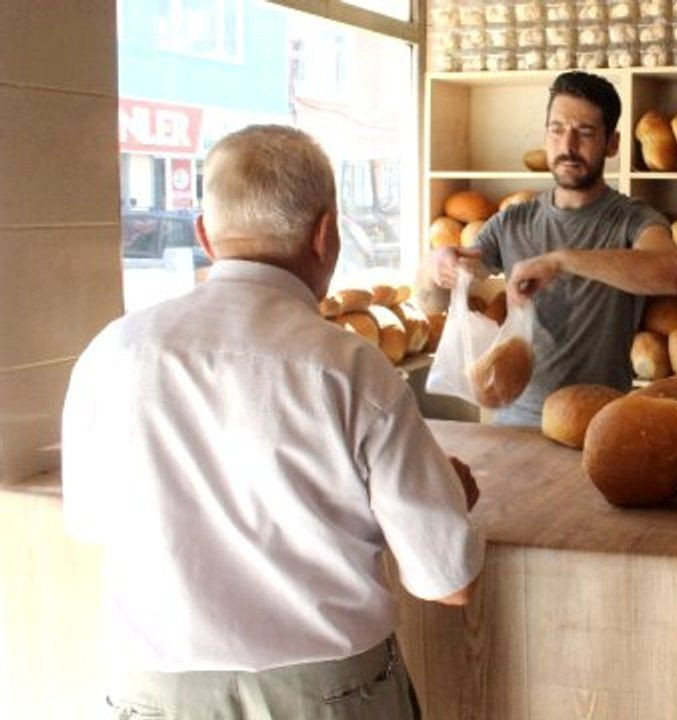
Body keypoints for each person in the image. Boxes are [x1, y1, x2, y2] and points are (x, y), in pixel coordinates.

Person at [62, 125, 484, 719]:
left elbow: (90, 522)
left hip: (154, 697)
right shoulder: (350, 368)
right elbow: (447, 580)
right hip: (326, 699)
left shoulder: (114, 352)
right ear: (326, 233)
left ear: (206, 236)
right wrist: (445, 498)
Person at [424, 71, 677, 426]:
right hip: (512, 425)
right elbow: (434, 296)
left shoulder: (633, 219)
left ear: (612, 144)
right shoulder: (512, 222)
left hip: (596, 430)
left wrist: (562, 261)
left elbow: (669, 273)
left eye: (586, 133)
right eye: (557, 130)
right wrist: (438, 265)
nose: (568, 146)